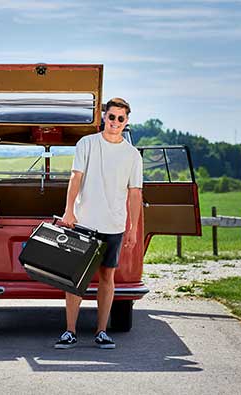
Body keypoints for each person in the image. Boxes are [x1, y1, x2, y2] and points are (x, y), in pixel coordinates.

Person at [55, 98, 143, 349]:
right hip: (84, 223)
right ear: (104, 116)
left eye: (120, 118)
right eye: (111, 116)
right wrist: (68, 212)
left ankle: (101, 332)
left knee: (107, 278)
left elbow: (135, 193)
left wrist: (133, 227)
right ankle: (69, 331)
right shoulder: (87, 144)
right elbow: (75, 178)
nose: (115, 122)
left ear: (126, 122)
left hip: (114, 225)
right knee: (74, 278)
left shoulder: (132, 155)